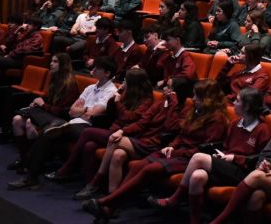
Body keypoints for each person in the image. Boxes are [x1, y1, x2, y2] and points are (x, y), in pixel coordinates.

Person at [83, 79, 229, 220]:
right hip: (175, 151)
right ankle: (110, 206)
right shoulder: (196, 111)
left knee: (148, 169)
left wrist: (176, 151)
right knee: (138, 166)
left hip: (189, 158)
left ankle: (107, 203)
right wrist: (171, 146)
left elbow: (204, 149)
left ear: (208, 99)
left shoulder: (217, 119)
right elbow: (181, 134)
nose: (194, 98)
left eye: (197, 96)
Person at [147, 87, 271, 224]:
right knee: (197, 177)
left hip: (244, 172)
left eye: (237, 101)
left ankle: (174, 199)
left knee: (198, 157)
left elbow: (259, 159)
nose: (233, 103)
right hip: (226, 166)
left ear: (247, 106)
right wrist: (222, 155)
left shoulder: (262, 129)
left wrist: (234, 158)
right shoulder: (235, 123)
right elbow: (226, 146)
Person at [74, 76, 194, 200]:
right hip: (142, 140)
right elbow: (142, 123)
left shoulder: (185, 109)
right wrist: (122, 131)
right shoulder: (160, 103)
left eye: (168, 87)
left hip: (156, 146)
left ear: (176, 92)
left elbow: (171, 127)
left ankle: (95, 183)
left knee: (113, 141)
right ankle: (111, 196)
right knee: (118, 155)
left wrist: (173, 105)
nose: (164, 89)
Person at [8, 57, 118, 190]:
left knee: (48, 131)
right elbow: (71, 111)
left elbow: (93, 113)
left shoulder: (111, 91)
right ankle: (31, 175)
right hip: (72, 122)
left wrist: (82, 110)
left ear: (107, 73)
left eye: (97, 68)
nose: (93, 70)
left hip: (88, 128)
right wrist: (85, 110)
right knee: (45, 128)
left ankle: (30, 176)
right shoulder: (90, 88)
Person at [46, 68, 155, 184]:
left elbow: (130, 117)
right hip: (114, 130)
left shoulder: (147, 100)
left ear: (133, 84)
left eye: (125, 81)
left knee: (87, 132)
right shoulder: (125, 95)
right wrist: (117, 94)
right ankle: (90, 183)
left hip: (128, 136)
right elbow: (111, 111)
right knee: (89, 146)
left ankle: (65, 169)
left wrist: (118, 102)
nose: (123, 83)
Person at [3, 52, 80, 165]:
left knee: (29, 124)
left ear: (63, 65)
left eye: (55, 62)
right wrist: (37, 101)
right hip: (47, 114)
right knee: (17, 120)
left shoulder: (70, 85)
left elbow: (60, 111)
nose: (51, 64)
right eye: (51, 61)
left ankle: (31, 161)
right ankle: (24, 158)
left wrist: (43, 105)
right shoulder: (55, 79)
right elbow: (47, 98)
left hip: (59, 121)